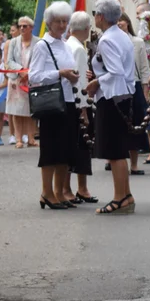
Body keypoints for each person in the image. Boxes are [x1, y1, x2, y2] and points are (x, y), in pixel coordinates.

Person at [28, 2, 81, 210]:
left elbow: (69, 71)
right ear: (49, 23)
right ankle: (46, 192)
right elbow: (33, 76)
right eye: (58, 21)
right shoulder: (43, 45)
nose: (62, 25)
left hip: (67, 101)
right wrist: (59, 74)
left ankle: (59, 192)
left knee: (65, 150)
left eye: (65, 21)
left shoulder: (65, 44)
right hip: (51, 103)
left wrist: (74, 76)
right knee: (50, 149)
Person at [87, 0, 137, 215]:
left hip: (112, 98)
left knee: (115, 152)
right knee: (119, 151)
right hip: (122, 96)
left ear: (101, 16)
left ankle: (119, 197)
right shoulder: (121, 35)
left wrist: (96, 81)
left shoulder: (107, 39)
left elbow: (115, 71)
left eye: (95, 14)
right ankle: (125, 195)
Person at [66, 11, 98, 203]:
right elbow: (79, 84)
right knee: (81, 147)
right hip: (79, 103)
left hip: (73, 102)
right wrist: (84, 109)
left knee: (77, 146)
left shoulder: (70, 44)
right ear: (86, 29)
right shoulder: (77, 48)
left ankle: (76, 187)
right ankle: (81, 188)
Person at [118, 12, 150, 175]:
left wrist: (146, 88)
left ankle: (134, 163)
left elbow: (144, 67)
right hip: (118, 84)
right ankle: (116, 160)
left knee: (135, 124)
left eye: (121, 21)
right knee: (118, 125)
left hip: (135, 84)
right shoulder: (111, 41)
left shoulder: (137, 42)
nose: (119, 24)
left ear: (127, 22)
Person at [5, 16, 39, 149]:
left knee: (31, 111)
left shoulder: (38, 42)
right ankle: (18, 139)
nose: (22, 28)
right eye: (20, 26)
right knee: (17, 110)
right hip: (16, 80)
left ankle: (31, 138)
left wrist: (29, 73)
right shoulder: (13, 42)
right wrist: (20, 70)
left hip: (31, 79)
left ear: (31, 28)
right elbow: (9, 61)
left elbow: (39, 60)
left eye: (25, 26)